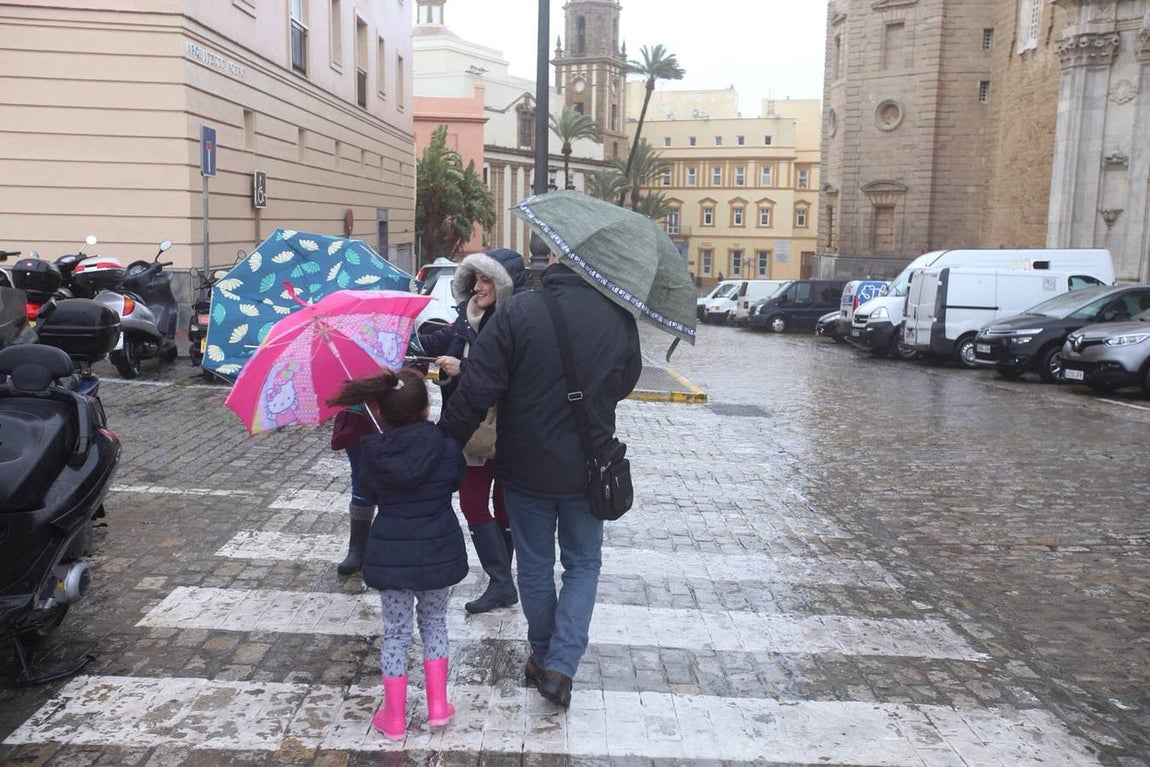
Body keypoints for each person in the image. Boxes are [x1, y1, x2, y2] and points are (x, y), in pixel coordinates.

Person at [438, 253, 641, 709]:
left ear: (551, 262)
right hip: (589, 465)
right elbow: (625, 381)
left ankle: (546, 656)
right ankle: (561, 666)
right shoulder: (617, 314)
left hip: (525, 465)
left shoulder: (518, 311)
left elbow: (479, 387)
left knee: (533, 565)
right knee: (583, 564)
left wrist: (443, 441)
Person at [326, 367, 468, 741]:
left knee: (396, 634)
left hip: (391, 554)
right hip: (437, 549)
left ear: (382, 414)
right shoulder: (446, 447)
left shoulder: (373, 454)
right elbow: (457, 479)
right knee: (435, 622)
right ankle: (438, 707)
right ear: (425, 410)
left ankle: (394, 717)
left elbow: (368, 497)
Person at [418, 250, 525, 614]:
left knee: (505, 505)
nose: (478, 287)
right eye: (475, 279)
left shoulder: (518, 323)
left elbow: (516, 378)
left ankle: (503, 580)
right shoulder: (467, 317)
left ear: (504, 284)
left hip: (510, 428)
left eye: (486, 280)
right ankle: (500, 581)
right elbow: (442, 342)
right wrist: (411, 337)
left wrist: (464, 369)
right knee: (472, 501)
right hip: (470, 425)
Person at [329, 404, 379, 575]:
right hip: (357, 419)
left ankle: (396, 546)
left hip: (395, 412)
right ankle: (357, 548)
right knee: (361, 480)